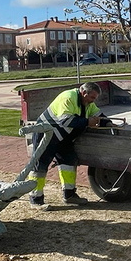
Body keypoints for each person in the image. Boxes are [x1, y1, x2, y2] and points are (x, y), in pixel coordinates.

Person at [28, 81, 106, 210]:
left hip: (63, 137)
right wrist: (88, 122)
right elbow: (65, 120)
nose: (93, 101)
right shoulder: (68, 97)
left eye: (95, 98)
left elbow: (98, 115)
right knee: (40, 165)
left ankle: (69, 195)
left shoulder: (87, 102)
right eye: (92, 97)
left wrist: (109, 123)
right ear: (83, 93)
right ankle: (35, 199)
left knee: (69, 161)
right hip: (46, 134)